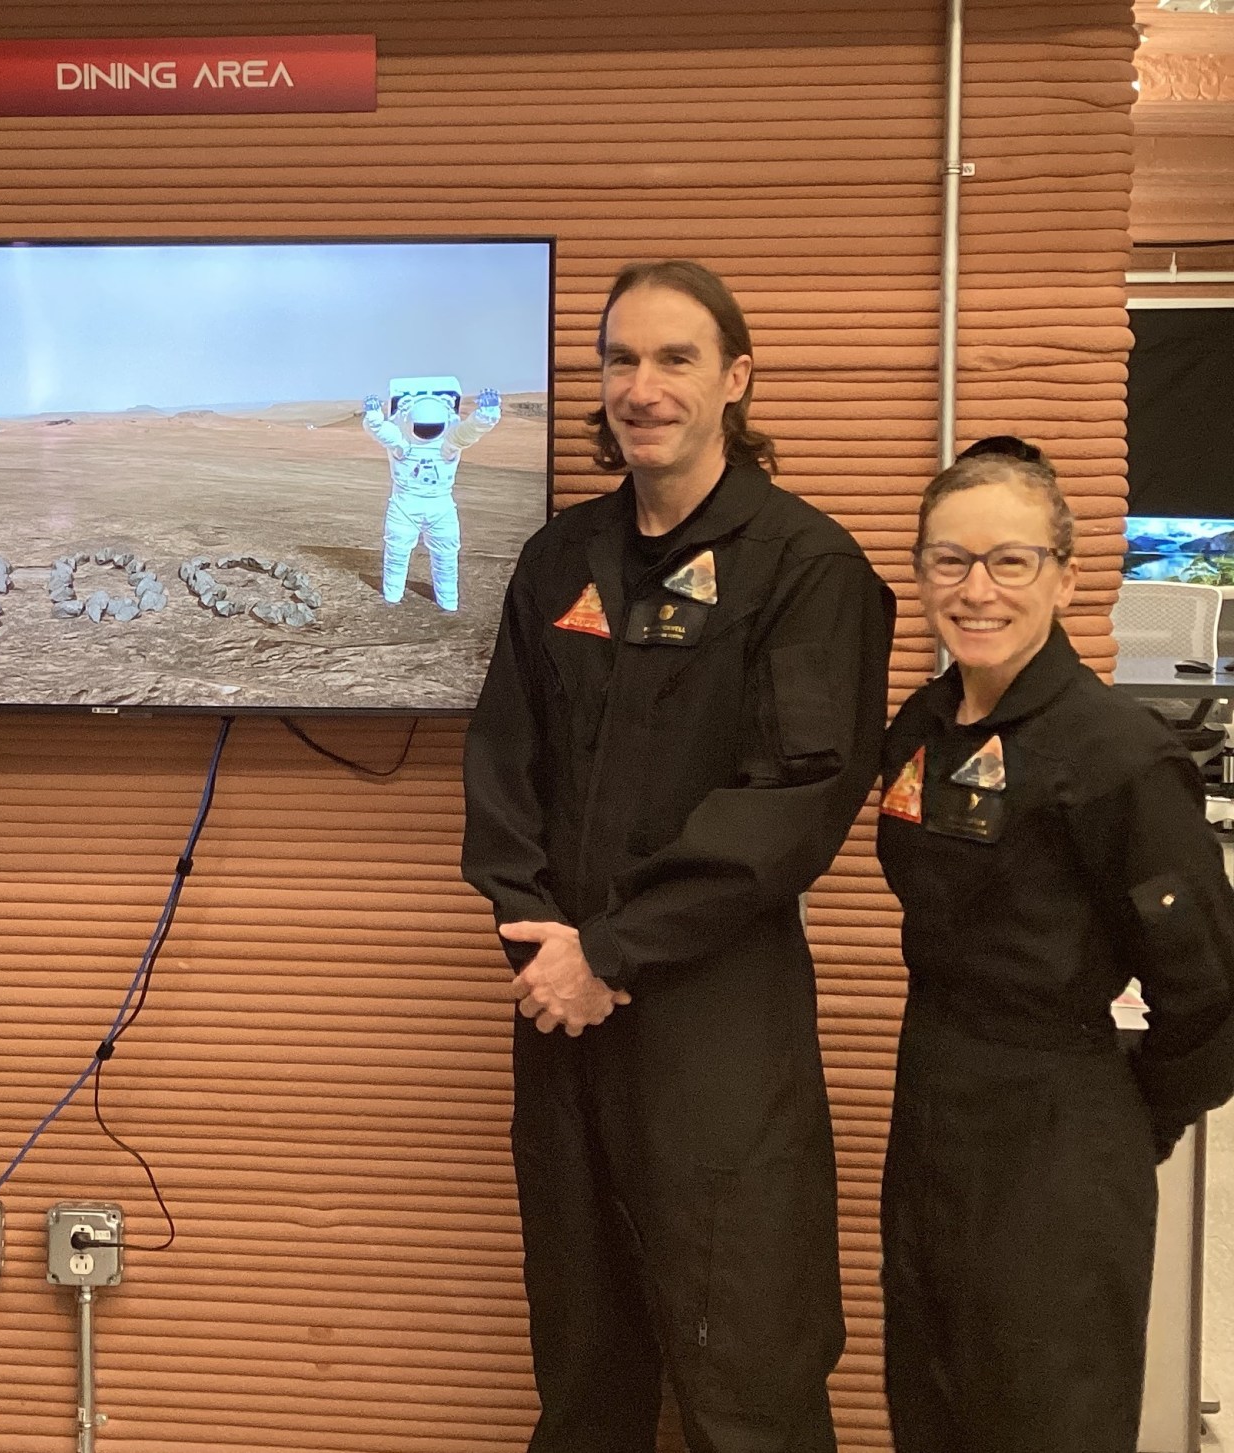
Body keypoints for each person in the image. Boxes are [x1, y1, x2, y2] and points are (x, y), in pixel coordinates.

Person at [462, 259, 894, 1452]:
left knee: (739, 1352)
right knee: (584, 1354)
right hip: (558, 1013)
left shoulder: (803, 566)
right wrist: (543, 940)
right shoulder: (560, 561)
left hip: (713, 1014)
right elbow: (502, 764)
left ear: (733, 379)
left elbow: (799, 794)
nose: (638, 387)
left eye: (672, 358)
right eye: (617, 360)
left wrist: (613, 946)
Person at [875, 439, 1234, 1452]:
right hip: (931, 1112)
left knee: (1045, 1419)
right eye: (948, 559)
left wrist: (1121, 1124)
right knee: (929, 1404)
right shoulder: (922, 726)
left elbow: (1208, 995)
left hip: (1057, 1136)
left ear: (1066, 577)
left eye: (1008, 560)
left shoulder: (1117, 756)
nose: (974, 588)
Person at [362, 376, 501, 610]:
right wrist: (486, 415)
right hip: (423, 508)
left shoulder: (433, 441)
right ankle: (409, 599)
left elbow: (468, 431)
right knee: (416, 557)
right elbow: (467, 431)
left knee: (423, 557)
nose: (428, 431)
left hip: (416, 507)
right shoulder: (425, 442)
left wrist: (486, 415)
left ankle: (429, 600)